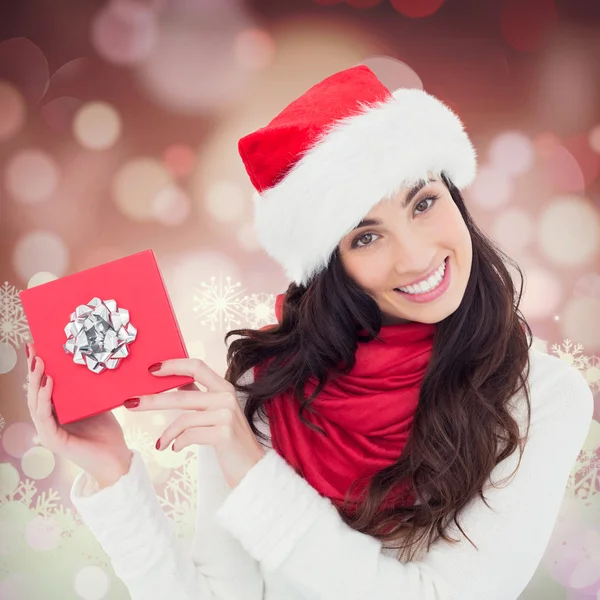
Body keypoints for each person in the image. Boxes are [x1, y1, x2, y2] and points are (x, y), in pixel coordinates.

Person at [26, 65, 593, 600]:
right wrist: (113, 473)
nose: (417, 255)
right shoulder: (262, 388)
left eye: (423, 203)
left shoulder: (542, 396)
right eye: (366, 237)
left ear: (456, 197)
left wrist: (254, 474)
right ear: (330, 264)